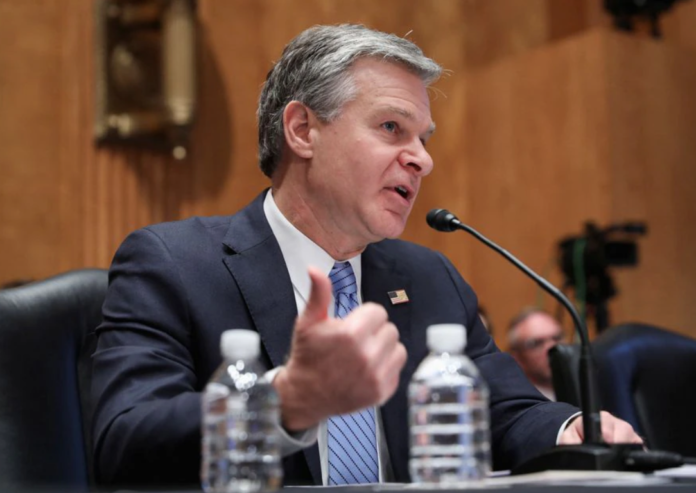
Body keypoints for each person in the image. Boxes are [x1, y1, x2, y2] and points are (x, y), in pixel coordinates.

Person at [91, 24, 641, 487]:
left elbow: (505, 410)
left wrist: (567, 430)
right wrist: (284, 403)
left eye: (424, 139)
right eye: (391, 128)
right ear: (303, 129)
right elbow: (125, 443)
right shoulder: (174, 264)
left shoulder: (428, 277)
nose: (422, 160)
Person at [508, 307, 565, 401]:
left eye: (557, 338)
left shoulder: (589, 390)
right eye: (536, 343)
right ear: (517, 357)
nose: (551, 347)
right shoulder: (515, 402)